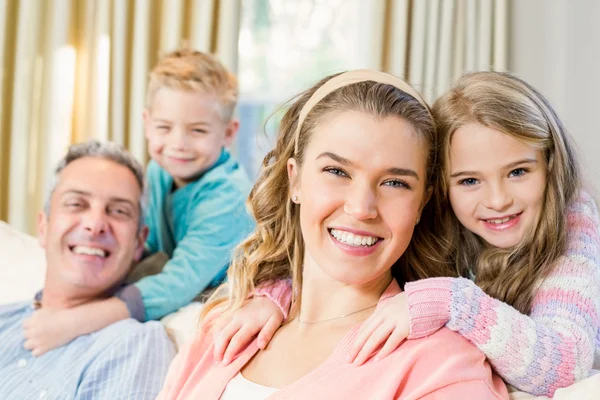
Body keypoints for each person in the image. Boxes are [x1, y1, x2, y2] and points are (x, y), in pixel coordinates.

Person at [216, 71, 600, 397]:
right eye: (469, 180)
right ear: (440, 189)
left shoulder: (572, 225)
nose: (498, 200)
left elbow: (567, 362)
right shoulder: (440, 216)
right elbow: (348, 254)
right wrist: (277, 296)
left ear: (551, 165)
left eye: (518, 172)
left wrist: (453, 301)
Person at [157, 70, 509, 399]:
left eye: (395, 182)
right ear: (295, 179)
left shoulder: (443, 365)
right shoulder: (222, 328)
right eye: (336, 171)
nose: (361, 207)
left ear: (421, 204)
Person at [23, 49, 256, 355]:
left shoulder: (229, 198)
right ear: (147, 124)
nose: (178, 144)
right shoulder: (159, 170)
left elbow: (178, 281)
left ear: (228, 133)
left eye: (197, 130)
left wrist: (77, 320)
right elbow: (143, 247)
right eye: (164, 128)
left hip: (225, 289)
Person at [0, 141, 176, 399]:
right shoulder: (6, 320)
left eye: (118, 211)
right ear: (43, 227)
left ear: (139, 242)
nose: (95, 225)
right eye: (76, 204)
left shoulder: (131, 344)